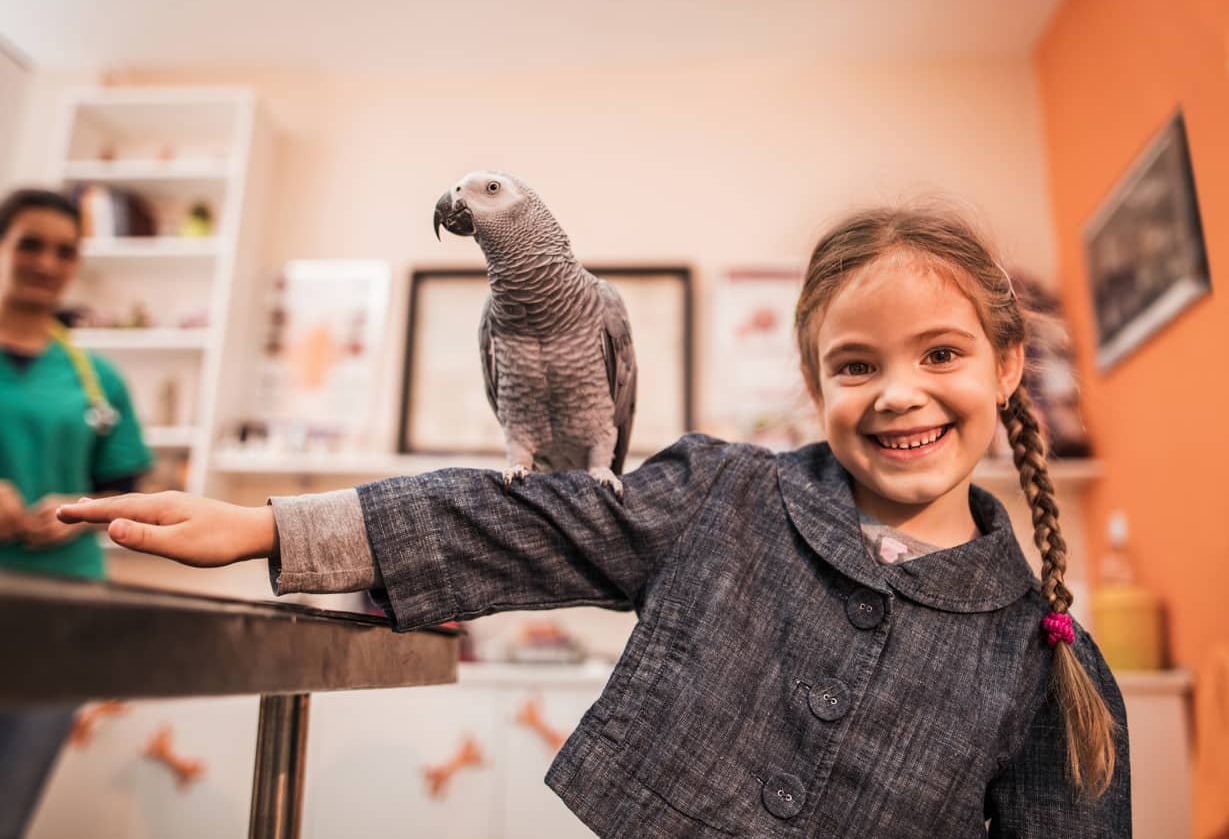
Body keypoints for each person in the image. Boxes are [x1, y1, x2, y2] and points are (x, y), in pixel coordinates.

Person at [59, 204, 1131, 836]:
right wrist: (264, 529)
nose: (897, 393)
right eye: (855, 364)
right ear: (814, 385)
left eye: (938, 353)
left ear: (1004, 365)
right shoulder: (718, 496)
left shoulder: (1049, 663)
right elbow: (502, 519)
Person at [0, 187, 153, 839]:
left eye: (66, 250)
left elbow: (122, 486)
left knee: (10, 805)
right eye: (29, 243)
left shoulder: (98, 379)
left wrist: (73, 511)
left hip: (62, 611)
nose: (47, 262)